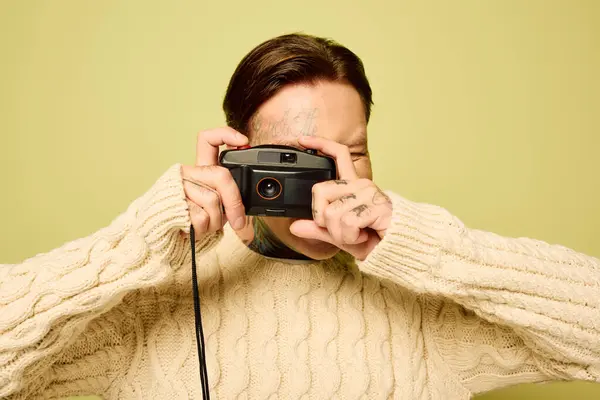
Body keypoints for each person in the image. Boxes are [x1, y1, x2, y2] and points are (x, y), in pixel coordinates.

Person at [1, 33, 599, 400]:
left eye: (352, 153)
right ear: (239, 158)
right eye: (296, 160)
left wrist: (423, 245)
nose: (331, 180)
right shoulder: (146, 307)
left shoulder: (427, 310)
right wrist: (130, 246)